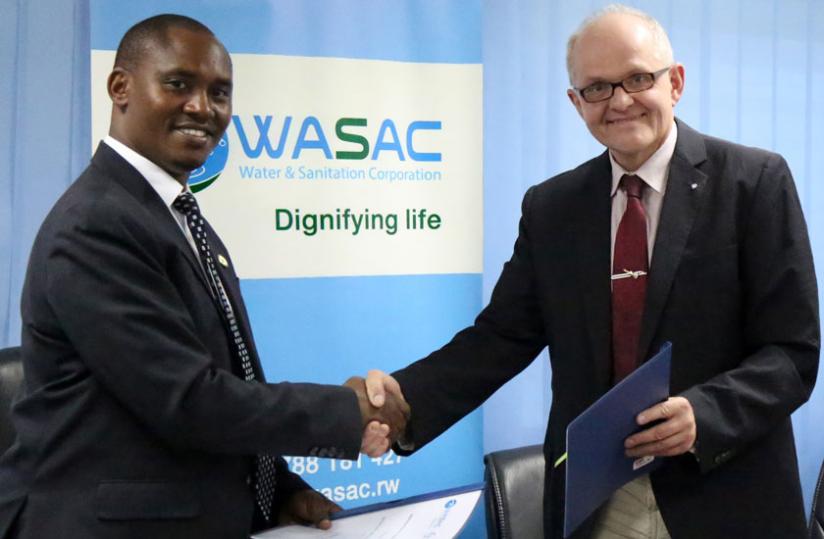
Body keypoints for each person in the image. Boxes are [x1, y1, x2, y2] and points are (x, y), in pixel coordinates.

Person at [366, 4, 819, 538]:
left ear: (675, 82)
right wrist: (403, 400)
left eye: (638, 78)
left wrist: (705, 414)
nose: (620, 101)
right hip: (600, 501)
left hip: (726, 495)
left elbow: (792, 352)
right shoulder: (552, 208)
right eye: (598, 87)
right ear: (576, 102)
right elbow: (500, 338)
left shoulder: (754, 182)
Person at [0, 14, 407, 539]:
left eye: (220, 93)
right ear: (120, 88)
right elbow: (190, 401)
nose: (202, 108)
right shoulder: (95, 224)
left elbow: (229, 380)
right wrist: (348, 412)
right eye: (178, 84)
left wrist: (278, 494)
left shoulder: (176, 216)